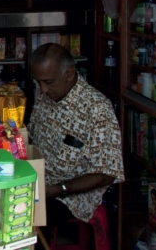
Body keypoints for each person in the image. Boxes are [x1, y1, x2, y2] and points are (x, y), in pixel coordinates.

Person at [28, 43, 123, 236]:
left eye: (48, 82)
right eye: (38, 82)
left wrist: (58, 189)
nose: (43, 89)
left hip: (70, 197)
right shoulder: (46, 97)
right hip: (40, 182)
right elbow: (32, 137)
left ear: (69, 74)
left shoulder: (96, 109)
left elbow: (107, 173)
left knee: (20, 219)